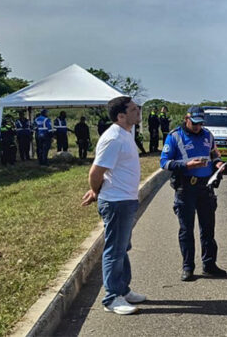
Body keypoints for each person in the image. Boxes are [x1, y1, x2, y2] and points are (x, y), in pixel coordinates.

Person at [81, 96, 145, 315]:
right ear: (121, 115)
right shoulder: (114, 138)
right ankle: (111, 298)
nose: (138, 112)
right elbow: (96, 172)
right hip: (116, 202)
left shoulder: (125, 134)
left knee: (122, 248)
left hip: (126, 199)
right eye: (134, 109)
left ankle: (123, 290)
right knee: (114, 251)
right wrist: (96, 191)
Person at [160, 106, 226, 281]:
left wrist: (218, 163)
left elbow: (214, 154)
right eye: (194, 123)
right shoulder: (174, 136)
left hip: (206, 188)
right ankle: (188, 267)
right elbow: (164, 163)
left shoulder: (208, 135)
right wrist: (186, 165)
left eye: (200, 123)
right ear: (186, 119)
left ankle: (209, 265)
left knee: (208, 229)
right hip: (185, 188)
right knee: (186, 230)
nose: (197, 127)